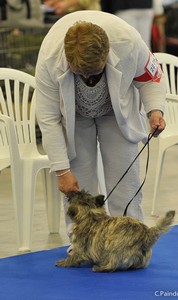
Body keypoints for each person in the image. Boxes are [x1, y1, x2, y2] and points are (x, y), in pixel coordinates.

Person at [35, 10, 166, 245]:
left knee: (126, 183)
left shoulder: (128, 41)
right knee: (78, 188)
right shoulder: (49, 57)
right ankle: (81, 245)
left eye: (93, 72)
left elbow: (150, 78)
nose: (87, 77)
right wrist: (62, 171)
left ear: (106, 55)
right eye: (79, 72)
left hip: (117, 113)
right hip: (75, 117)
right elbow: (48, 118)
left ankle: (131, 242)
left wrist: (155, 110)